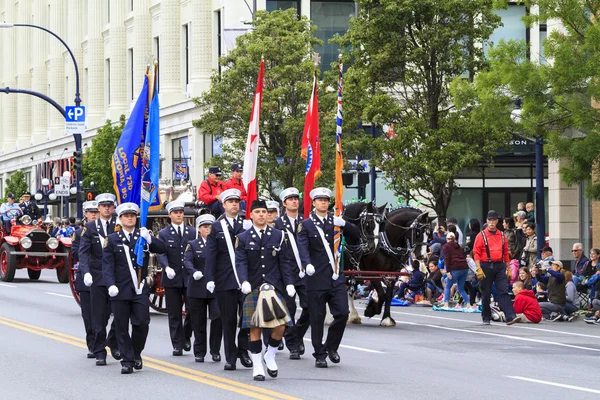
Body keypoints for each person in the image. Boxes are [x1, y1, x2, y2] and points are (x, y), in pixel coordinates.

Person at [297, 187, 359, 368]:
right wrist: (306, 263)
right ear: (314, 203)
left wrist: (346, 224)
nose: (323, 202)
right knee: (317, 317)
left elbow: (356, 234)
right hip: (315, 277)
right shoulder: (307, 224)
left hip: (335, 275)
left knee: (342, 313)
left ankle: (331, 347)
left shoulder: (336, 222)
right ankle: (319, 353)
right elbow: (302, 246)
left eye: (326, 200)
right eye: (320, 200)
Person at [102, 202, 166, 374]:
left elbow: (162, 249)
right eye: (126, 216)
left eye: (132, 216)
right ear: (120, 219)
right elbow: (107, 266)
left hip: (139, 288)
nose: (130, 218)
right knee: (122, 326)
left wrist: (151, 239)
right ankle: (127, 360)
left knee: (142, 323)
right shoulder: (113, 239)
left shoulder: (143, 235)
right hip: (120, 289)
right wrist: (111, 285)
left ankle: (136, 352)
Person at [235, 199, 295, 381]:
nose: (261, 214)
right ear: (251, 215)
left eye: (264, 211)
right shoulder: (243, 238)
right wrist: (243, 281)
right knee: (255, 329)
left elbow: (284, 262)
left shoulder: (278, 235)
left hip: (274, 286)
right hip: (253, 287)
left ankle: (270, 354)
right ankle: (257, 365)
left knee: (280, 326)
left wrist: (289, 283)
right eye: (258, 212)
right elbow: (241, 262)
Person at [204, 188, 252, 371]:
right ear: (223, 205)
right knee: (229, 320)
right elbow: (211, 254)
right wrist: (210, 278)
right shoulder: (216, 227)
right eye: (230, 201)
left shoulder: (246, 224)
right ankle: (231, 357)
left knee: (247, 319)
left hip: (245, 280)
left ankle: (243, 350)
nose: (234, 204)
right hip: (225, 280)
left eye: (236, 201)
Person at [79, 193, 120, 366]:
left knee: (119, 314)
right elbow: (84, 252)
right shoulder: (89, 227)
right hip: (96, 276)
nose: (107, 208)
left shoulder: (119, 225)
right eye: (103, 205)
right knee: (99, 316)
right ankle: (100, 350)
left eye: (110, 205)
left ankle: (114, 341)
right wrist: (86, 272)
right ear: (98, 208)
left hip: (117, 277)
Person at [156, 200, 196, 356]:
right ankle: (177, 344)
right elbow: (161, 252)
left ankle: (186, 335)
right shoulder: (164, 234)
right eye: (176, 212)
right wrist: (166, 267)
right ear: (169, 214)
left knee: (193, 309)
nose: (179, 215)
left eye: (181, 212)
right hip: (172, 277)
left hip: (189, 277)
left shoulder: (192, 232)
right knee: (174, 312)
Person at [183, 213, 222, 363]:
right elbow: (187, 261)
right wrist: (194, 272)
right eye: (205, 227)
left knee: (217, 318)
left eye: (210, 227)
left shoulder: (218, 244)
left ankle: (215, 350)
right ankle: (199, 351)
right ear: (199, 229)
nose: (208, 229)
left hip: (214, 288)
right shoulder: (192, 244)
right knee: (198, 322)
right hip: (197, 287)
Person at [274, 187, 307, 360]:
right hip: (287, 273)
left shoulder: (307, 221)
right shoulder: (278, 224)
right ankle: (292, 344)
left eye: (296, 198)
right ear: (284, 203)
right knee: (290, 309)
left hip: (305, 273)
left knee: (310, 308)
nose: (295, 201)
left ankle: (297, 334)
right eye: (291, 199)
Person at [472, 210, 518, 325]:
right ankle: (486, 317)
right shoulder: (481, 235)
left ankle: (510, 316)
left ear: (497, 221)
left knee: (503, 291)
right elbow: (476, 252)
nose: (492, 223)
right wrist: (478, 268)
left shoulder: (502, 235)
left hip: (499, 265)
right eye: (489, 220)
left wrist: (509, 268)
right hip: (485, 265)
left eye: (494, 220)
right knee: (486, 293)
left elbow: (505, 253)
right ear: (487, 221)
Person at [71, 200, 100, 358]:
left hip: (104, 277)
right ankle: (93, 344)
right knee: (89, 315)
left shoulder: (107, 230)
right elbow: (76, 253)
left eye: (96, 211)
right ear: (86, 214)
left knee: (103, 314)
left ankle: (104, 340)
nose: (94, 214)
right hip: (87, 276)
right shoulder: (79, 233)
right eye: (91, 212)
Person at [441, 232, 470, 308]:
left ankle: (446, 304)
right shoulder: (459, 247)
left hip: (455, 268)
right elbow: (464, 256)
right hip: (464, 268)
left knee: (448, 286)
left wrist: (448, 271)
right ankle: (468, 304)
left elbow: (447, 259)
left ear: (447, 239)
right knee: (461, 288)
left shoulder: (446, 247)